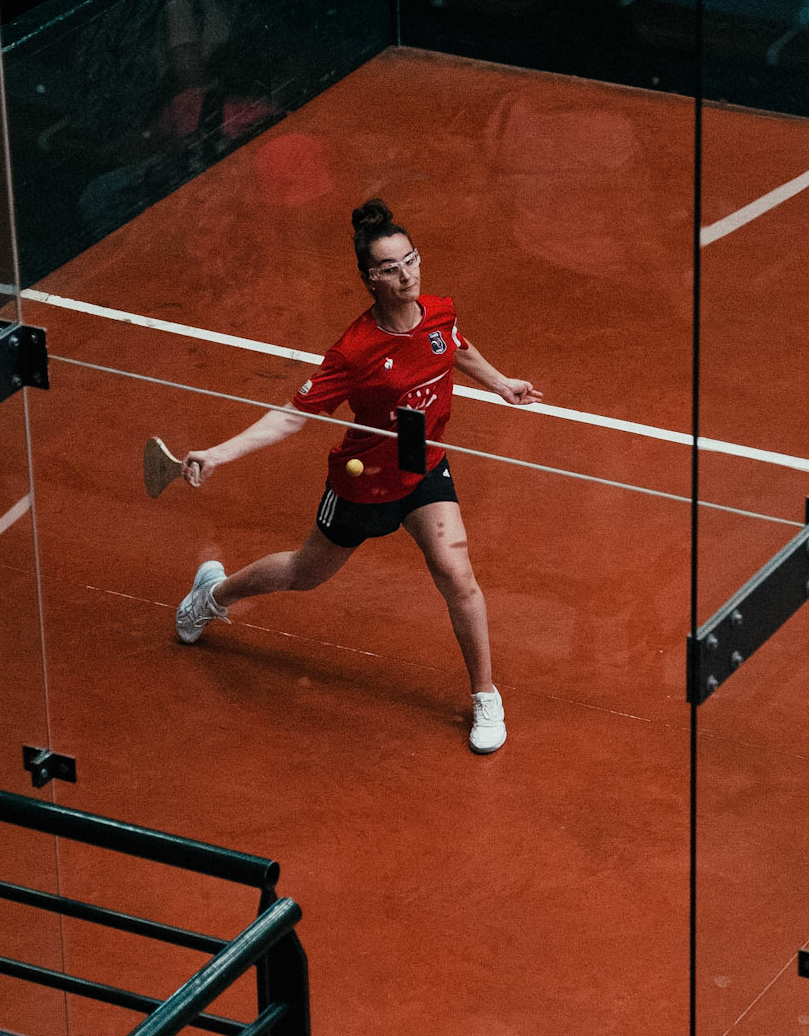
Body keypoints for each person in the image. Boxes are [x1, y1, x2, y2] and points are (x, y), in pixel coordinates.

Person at [174, 198, 542, 754]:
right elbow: (292, 416)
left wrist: (501, 382)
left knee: (457, 575)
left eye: (411, 260)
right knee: (304, 573)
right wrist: (220, 454)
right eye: (391, 268)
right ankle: (213, 593)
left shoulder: (438, 311)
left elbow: (456, 348)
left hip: (423, 467)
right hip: (362, 482)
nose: (407, 274)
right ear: (370, 280)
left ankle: (484, 694)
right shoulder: (355, 350)